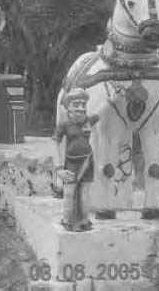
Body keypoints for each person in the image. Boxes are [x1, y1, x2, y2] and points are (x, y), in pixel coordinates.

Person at [52, 87, 120, 232]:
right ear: (68, 107)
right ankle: (68, 220)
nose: (80, 108)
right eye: (76, 104)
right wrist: (58, 168)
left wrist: (112, 100)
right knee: (69, 194)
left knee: (84, 195)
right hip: (71, 163)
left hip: (87, 162)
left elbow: (101, 111)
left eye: (83, 105)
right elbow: (55, 143)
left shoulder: (87, 121)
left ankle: (83, 221)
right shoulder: (64, 124)